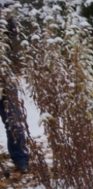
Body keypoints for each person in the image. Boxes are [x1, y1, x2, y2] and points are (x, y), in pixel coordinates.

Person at [0, 5, 28, 172]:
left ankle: (20, 159)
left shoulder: (8, 18)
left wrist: (7, 19)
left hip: (5, 78)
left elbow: (16, 47)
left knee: (14, 121)